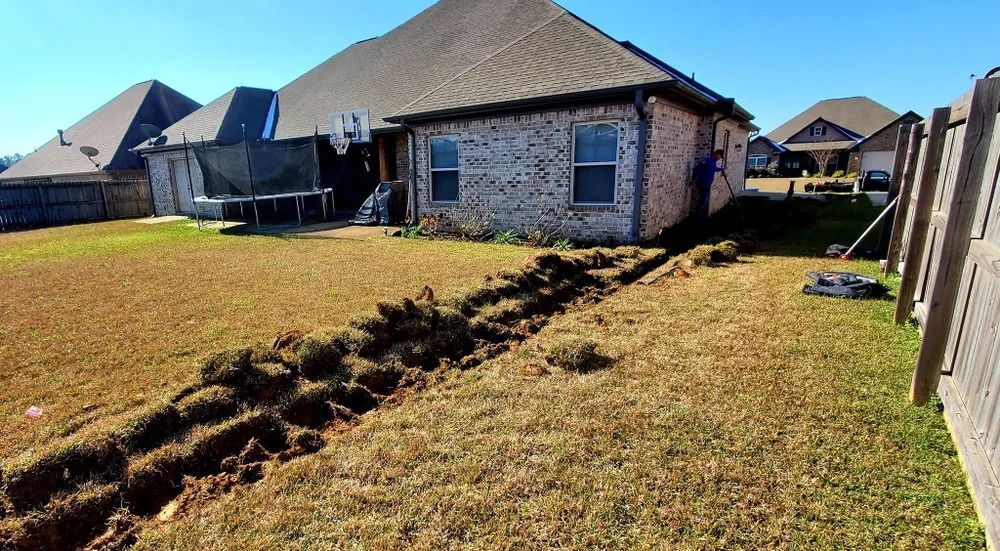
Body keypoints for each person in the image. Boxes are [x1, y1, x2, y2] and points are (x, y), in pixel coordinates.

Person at [692, 149, 725, 219]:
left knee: (702, 199)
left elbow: (712, 169)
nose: (720, 158)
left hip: (702, 183)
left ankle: (698, 216)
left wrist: (721, 169)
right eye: (720, 156)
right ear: (717, 154)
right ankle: (698, 217)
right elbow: (697, 168)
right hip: (704, 184)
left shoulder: (710, 161)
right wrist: (693, 179)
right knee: (703, 200)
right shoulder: (710, 161)